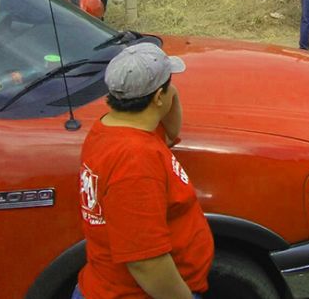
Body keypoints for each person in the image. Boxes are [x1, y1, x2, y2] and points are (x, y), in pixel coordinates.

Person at [76, 43, 214, 299]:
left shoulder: (114, 128)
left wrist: (168, 93)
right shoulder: (134, 162)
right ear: (157, 98)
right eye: (169, 85)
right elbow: (146, 263)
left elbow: (171, 132)